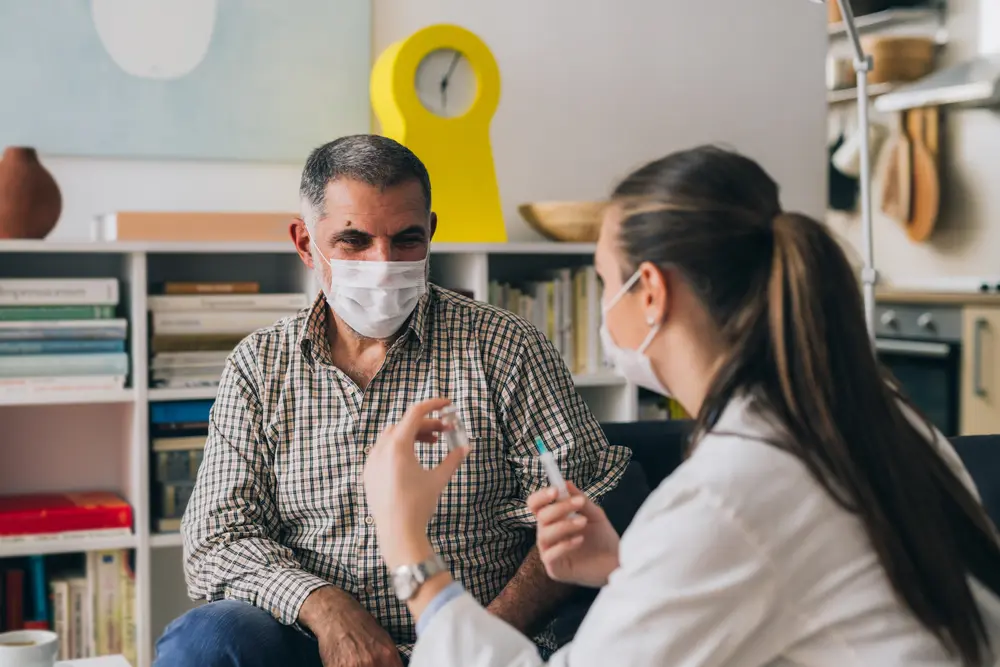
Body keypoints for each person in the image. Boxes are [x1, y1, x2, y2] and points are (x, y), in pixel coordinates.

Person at [363, 145, 1000, 666]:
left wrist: (407, 548)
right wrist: (626, 569)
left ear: (651, 294)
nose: (605, 305)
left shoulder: (733, 488)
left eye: (605, 282)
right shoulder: (871, 412)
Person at [153, 135, 632, 667]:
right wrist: (326, 608)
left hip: (476, 636)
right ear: (305, 243)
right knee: (204, 639)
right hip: (313, 645)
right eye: (353, 241)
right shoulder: (260, 366)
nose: (383, 265)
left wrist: (472, 641)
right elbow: (216, 539)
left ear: (430, 232)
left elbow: (576, 517)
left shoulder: (505, 348)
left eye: (406, 240)